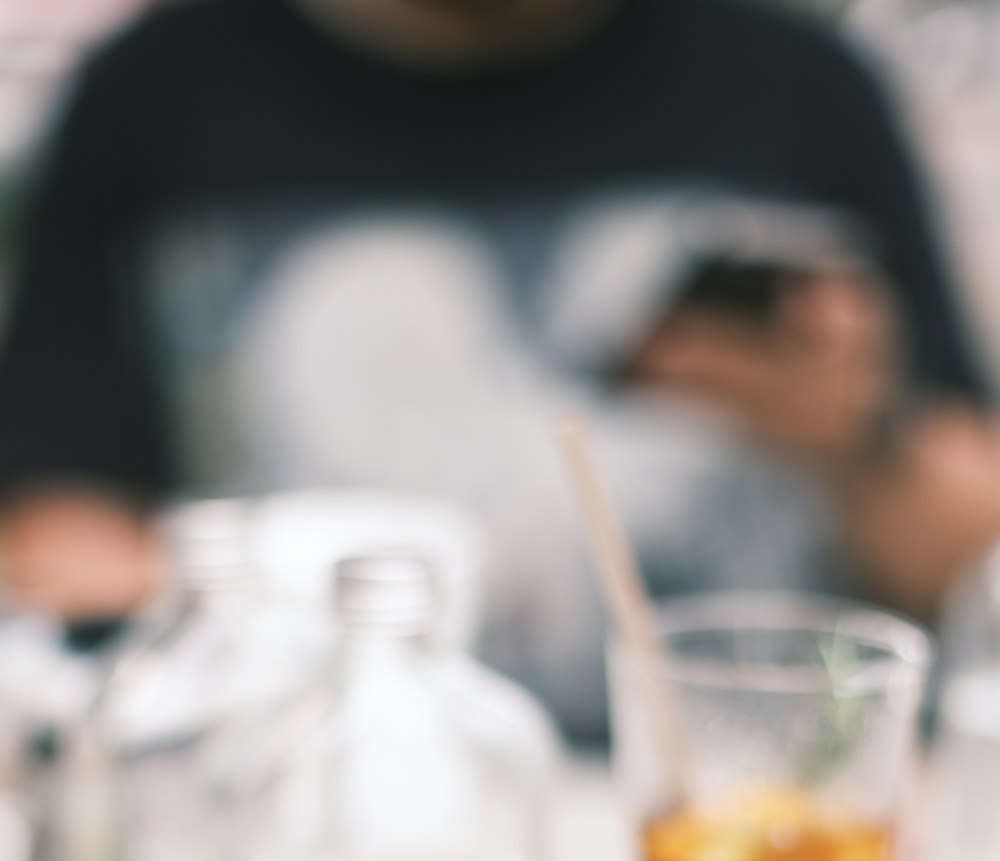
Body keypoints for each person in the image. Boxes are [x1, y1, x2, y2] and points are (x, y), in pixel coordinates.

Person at [0, 0, 998, 738]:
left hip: (750, 813)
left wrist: (859, 447)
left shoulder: (799, 83)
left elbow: (970, 562)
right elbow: (53, 538)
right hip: (303, 831)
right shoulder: (159, 90)